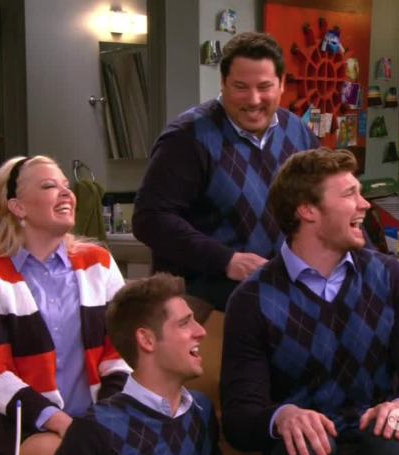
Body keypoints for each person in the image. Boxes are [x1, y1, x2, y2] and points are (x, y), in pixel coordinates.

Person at [220, 148, 399, 455]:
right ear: (307, 210)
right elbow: (239, 417)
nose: (365, 204)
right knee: (304, 453)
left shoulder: (388, 276)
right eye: (349, 194)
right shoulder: (252, 300)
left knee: (392, 445)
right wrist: (282, 417)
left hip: (380, 446)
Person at [0, 155, 132, 455]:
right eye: (50, 186)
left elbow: (122, 353)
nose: (67, 193)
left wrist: (102, 421)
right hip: (16, 423)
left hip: (95, 417)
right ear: (18, 207)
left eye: (66, 186)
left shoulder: (99, 263)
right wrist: (63, 423)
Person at [132, 31, 319, 311]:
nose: (253, 100)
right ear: (223, 83)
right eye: (241, 87)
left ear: (281, 84)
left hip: (280, 300)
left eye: (265, 86)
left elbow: (327, 199)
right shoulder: (187, 137)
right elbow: (149, 218)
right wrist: (226, 260)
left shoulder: (298, 133)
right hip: (204, 307)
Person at [51, 273, 231, 455]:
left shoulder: (201, 410)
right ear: (147, 340)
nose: (201, 331)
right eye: (184, 323)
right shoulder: (92, 432)